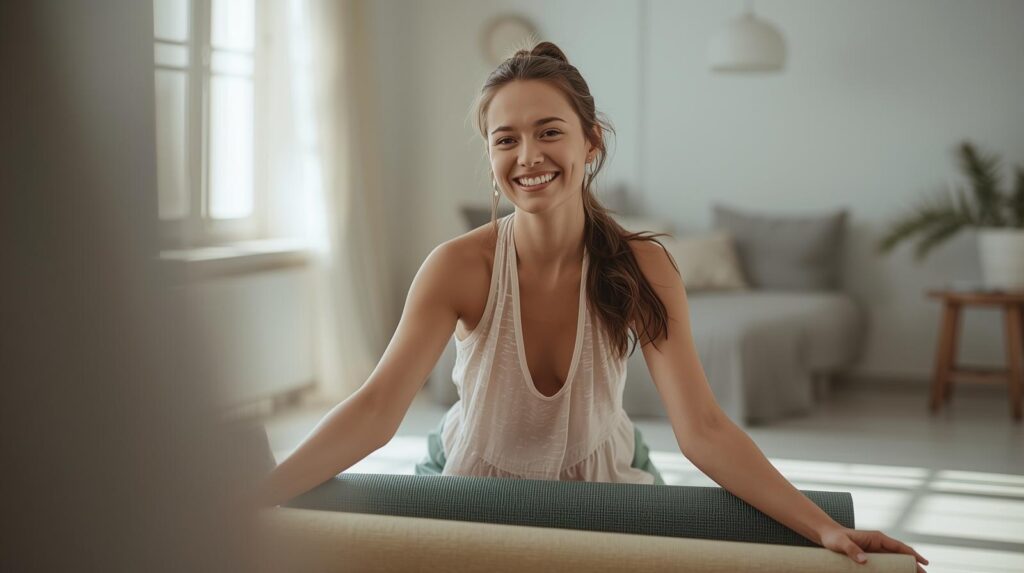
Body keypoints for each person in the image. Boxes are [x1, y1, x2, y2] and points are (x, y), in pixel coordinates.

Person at [249, 41, 928, 572]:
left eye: (550, 132)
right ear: (489, 158)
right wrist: (257, 494)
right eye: (505, 138)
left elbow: (703, 427)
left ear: (590, 141)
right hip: (473, 477)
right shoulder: (457, 266)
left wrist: (821, 524)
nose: (528, 155)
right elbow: (374, 410)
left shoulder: (643, 264)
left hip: (604, 475)